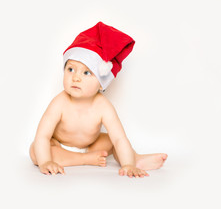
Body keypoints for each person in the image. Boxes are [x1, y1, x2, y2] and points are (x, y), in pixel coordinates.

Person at [29, 22, 167, 177]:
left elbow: (119, 138)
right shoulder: (59, 102)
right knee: (36, 151)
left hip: (92, 146)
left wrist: (127, 165)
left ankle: (134, 160)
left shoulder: (103, 106)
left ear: (102, 84)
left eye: (86, 73)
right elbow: (43, 136)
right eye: (70, 69)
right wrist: (46, 161)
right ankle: (83, 159)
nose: (75, 78)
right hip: (61, 146)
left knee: (113, 141)